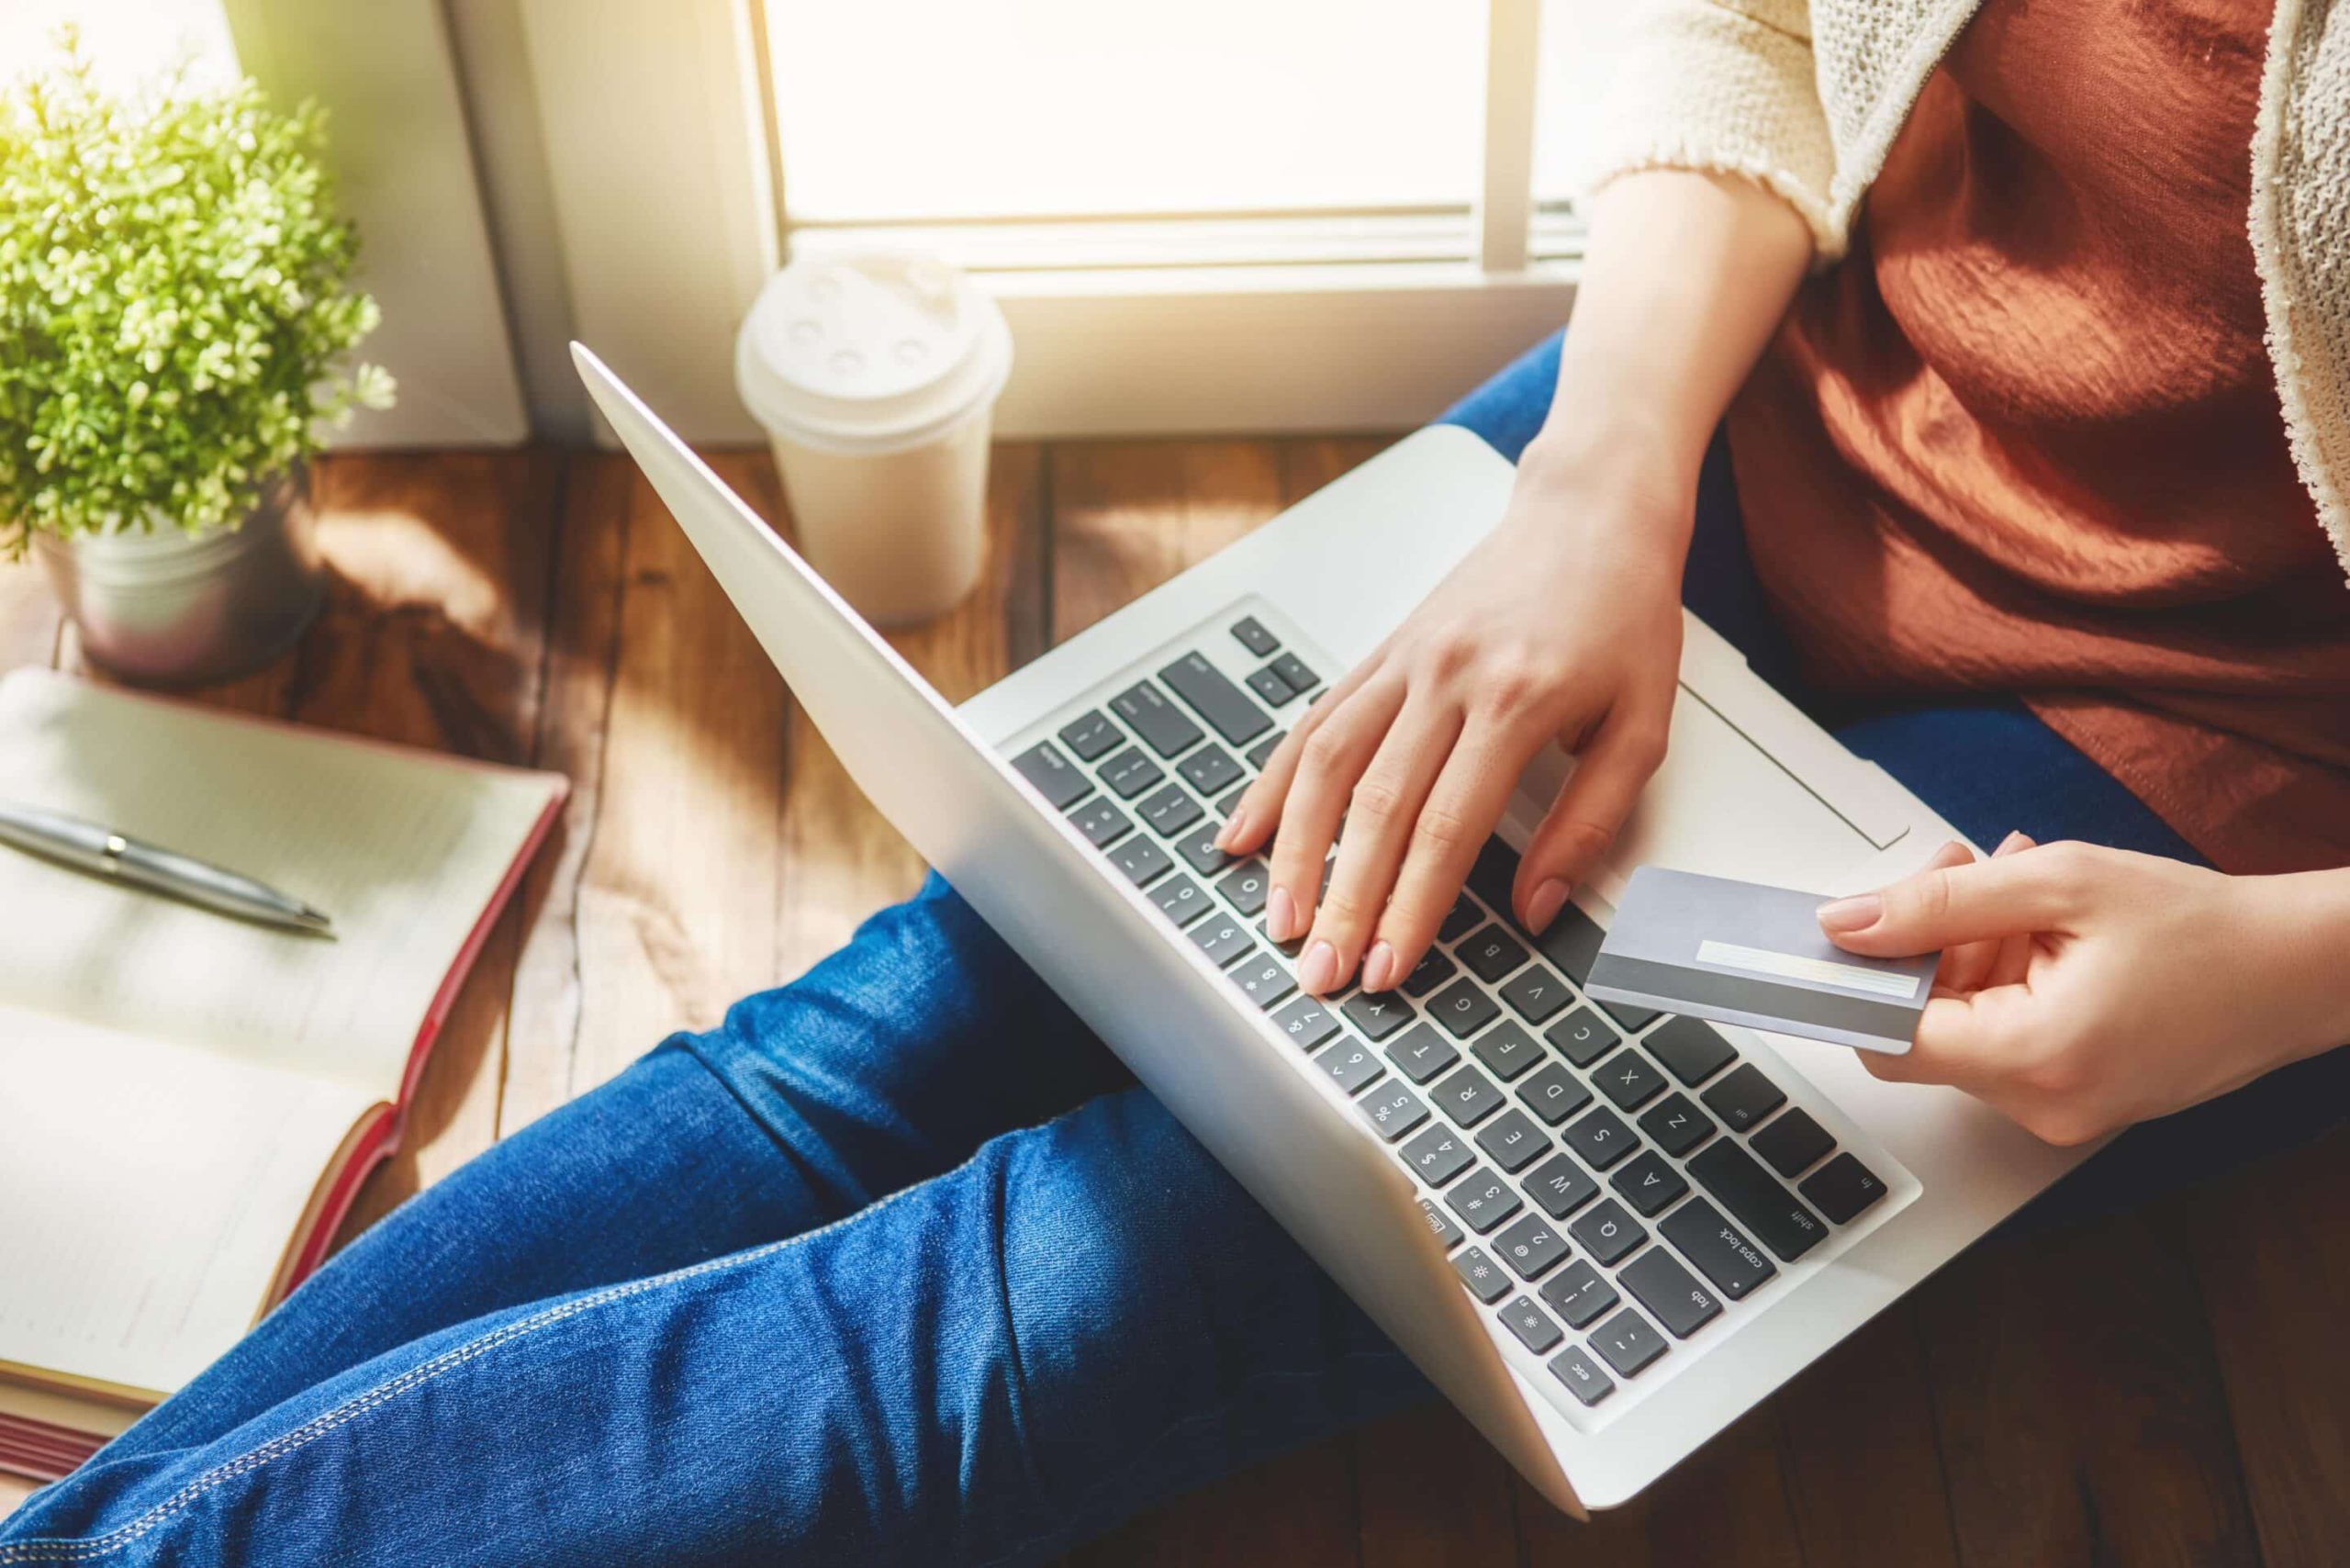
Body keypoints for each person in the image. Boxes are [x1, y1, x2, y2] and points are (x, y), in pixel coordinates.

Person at [6, 0, 2349, 1562]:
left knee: (1062, 1286)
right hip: (1739, 415)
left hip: (2209, 791)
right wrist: (1603, 475)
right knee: (910, 1019)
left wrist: (2275, 969)